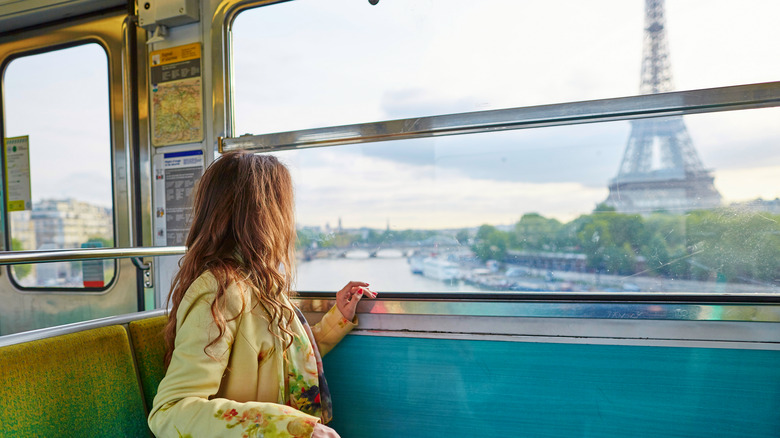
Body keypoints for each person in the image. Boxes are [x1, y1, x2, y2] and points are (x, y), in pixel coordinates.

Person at [148, 151, 376, 438]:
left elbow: (282, 357)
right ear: (262, 214)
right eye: (283, 207)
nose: (289, 222)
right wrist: (290, 427)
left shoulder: (261, 282)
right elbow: (170, 411)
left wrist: (338, 319)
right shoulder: (220, 290)